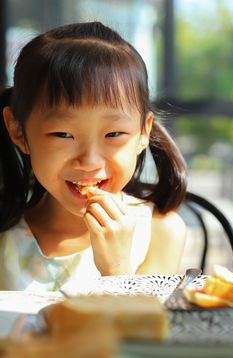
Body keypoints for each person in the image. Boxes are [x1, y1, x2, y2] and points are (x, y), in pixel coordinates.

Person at [0, 22, 187, 292]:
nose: (89, 161)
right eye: (63, 134)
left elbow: (141, 332)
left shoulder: (161, 231)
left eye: (113, 134)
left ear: (143, 133)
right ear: (19, 132)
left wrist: (118, 270)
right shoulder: (6, 239)